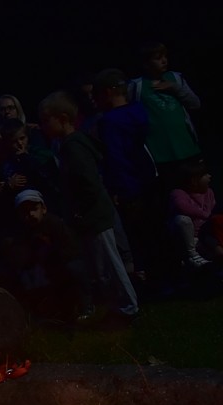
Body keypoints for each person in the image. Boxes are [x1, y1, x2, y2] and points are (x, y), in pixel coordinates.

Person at [38, 91, 139, 321]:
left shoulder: (74, 147)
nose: (43, 126)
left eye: (46, 120)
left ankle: (129, 307)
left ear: (63, 118)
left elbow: (88, 182)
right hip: (90, 217)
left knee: (112, 265)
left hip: (95, 215)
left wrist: (78, 210)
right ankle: (116, 307)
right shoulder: (68, 145)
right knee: (101, 268)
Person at [93, 68, 161, 283]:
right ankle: (168, 274)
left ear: (108, 92)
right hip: (152, 177)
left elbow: (116, 157)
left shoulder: (110, 122)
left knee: (140, 235)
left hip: (130, 185)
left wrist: (118, 188)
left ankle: (153, 278)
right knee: (156, 229)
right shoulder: (140, 111)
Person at [9, 189, 93, 321]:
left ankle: (86, 305)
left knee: (74, 270)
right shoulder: (22, 231)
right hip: (43, 268)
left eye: (34, 209)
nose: (30, 214)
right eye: (25, 212)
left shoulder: (55, 224)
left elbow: (71, 250)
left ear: (43, 209)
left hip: (66, 262)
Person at [128, 41, 202, 189]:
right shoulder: (136, 85)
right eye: (158, 58)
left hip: (186, 148)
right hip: (159, 154)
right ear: (146, 63)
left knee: (194, 191)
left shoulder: (175, 78)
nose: (164, 60)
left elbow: (195, 104)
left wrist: (175, 88)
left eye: (165, 56)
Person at [168, 160, 215, 268]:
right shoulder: (178, 193)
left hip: (204, 236)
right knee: (182, 220)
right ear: (194, 180)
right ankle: (191, 255)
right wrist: (205, 214)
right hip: (186, 239)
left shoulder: (209, 192)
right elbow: (182, 207)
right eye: (205, 174)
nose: (209, 176)